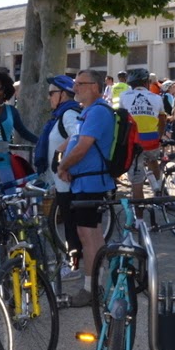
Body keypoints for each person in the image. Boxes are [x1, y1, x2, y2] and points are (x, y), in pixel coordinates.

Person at [56, 70, 115, 307]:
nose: (75, 88)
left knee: (88, 236)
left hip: (91, 183)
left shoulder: (98, 112)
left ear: (94, 87)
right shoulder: (90, 112)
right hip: (87, 181)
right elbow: (74, 144)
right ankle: (98, 283)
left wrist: (63, 165)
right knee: (92, 234)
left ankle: (91, 289)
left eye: (80, 84)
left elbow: (82, 147)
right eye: (74, 84)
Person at [35, 75, 83, 281]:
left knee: (72, 225)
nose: (48, 98)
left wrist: (61, 158)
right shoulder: (61, 114)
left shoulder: (69, 113)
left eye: (51, 93)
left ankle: (75, 266)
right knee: (70, 223)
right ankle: (74, 260)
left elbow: (78, 135)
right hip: (61, 181)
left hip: (68, 179)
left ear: (63, 94)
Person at [120, 68, 166, 200]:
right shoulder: (157, 98)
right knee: (152, 160)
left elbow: (122, 119)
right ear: (147, 82)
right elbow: (162, 121)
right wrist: (159, 136)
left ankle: (139, 219)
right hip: (152, 140)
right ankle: (158, 188)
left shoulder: (124, 96)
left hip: (134, 142)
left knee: (137, 181)